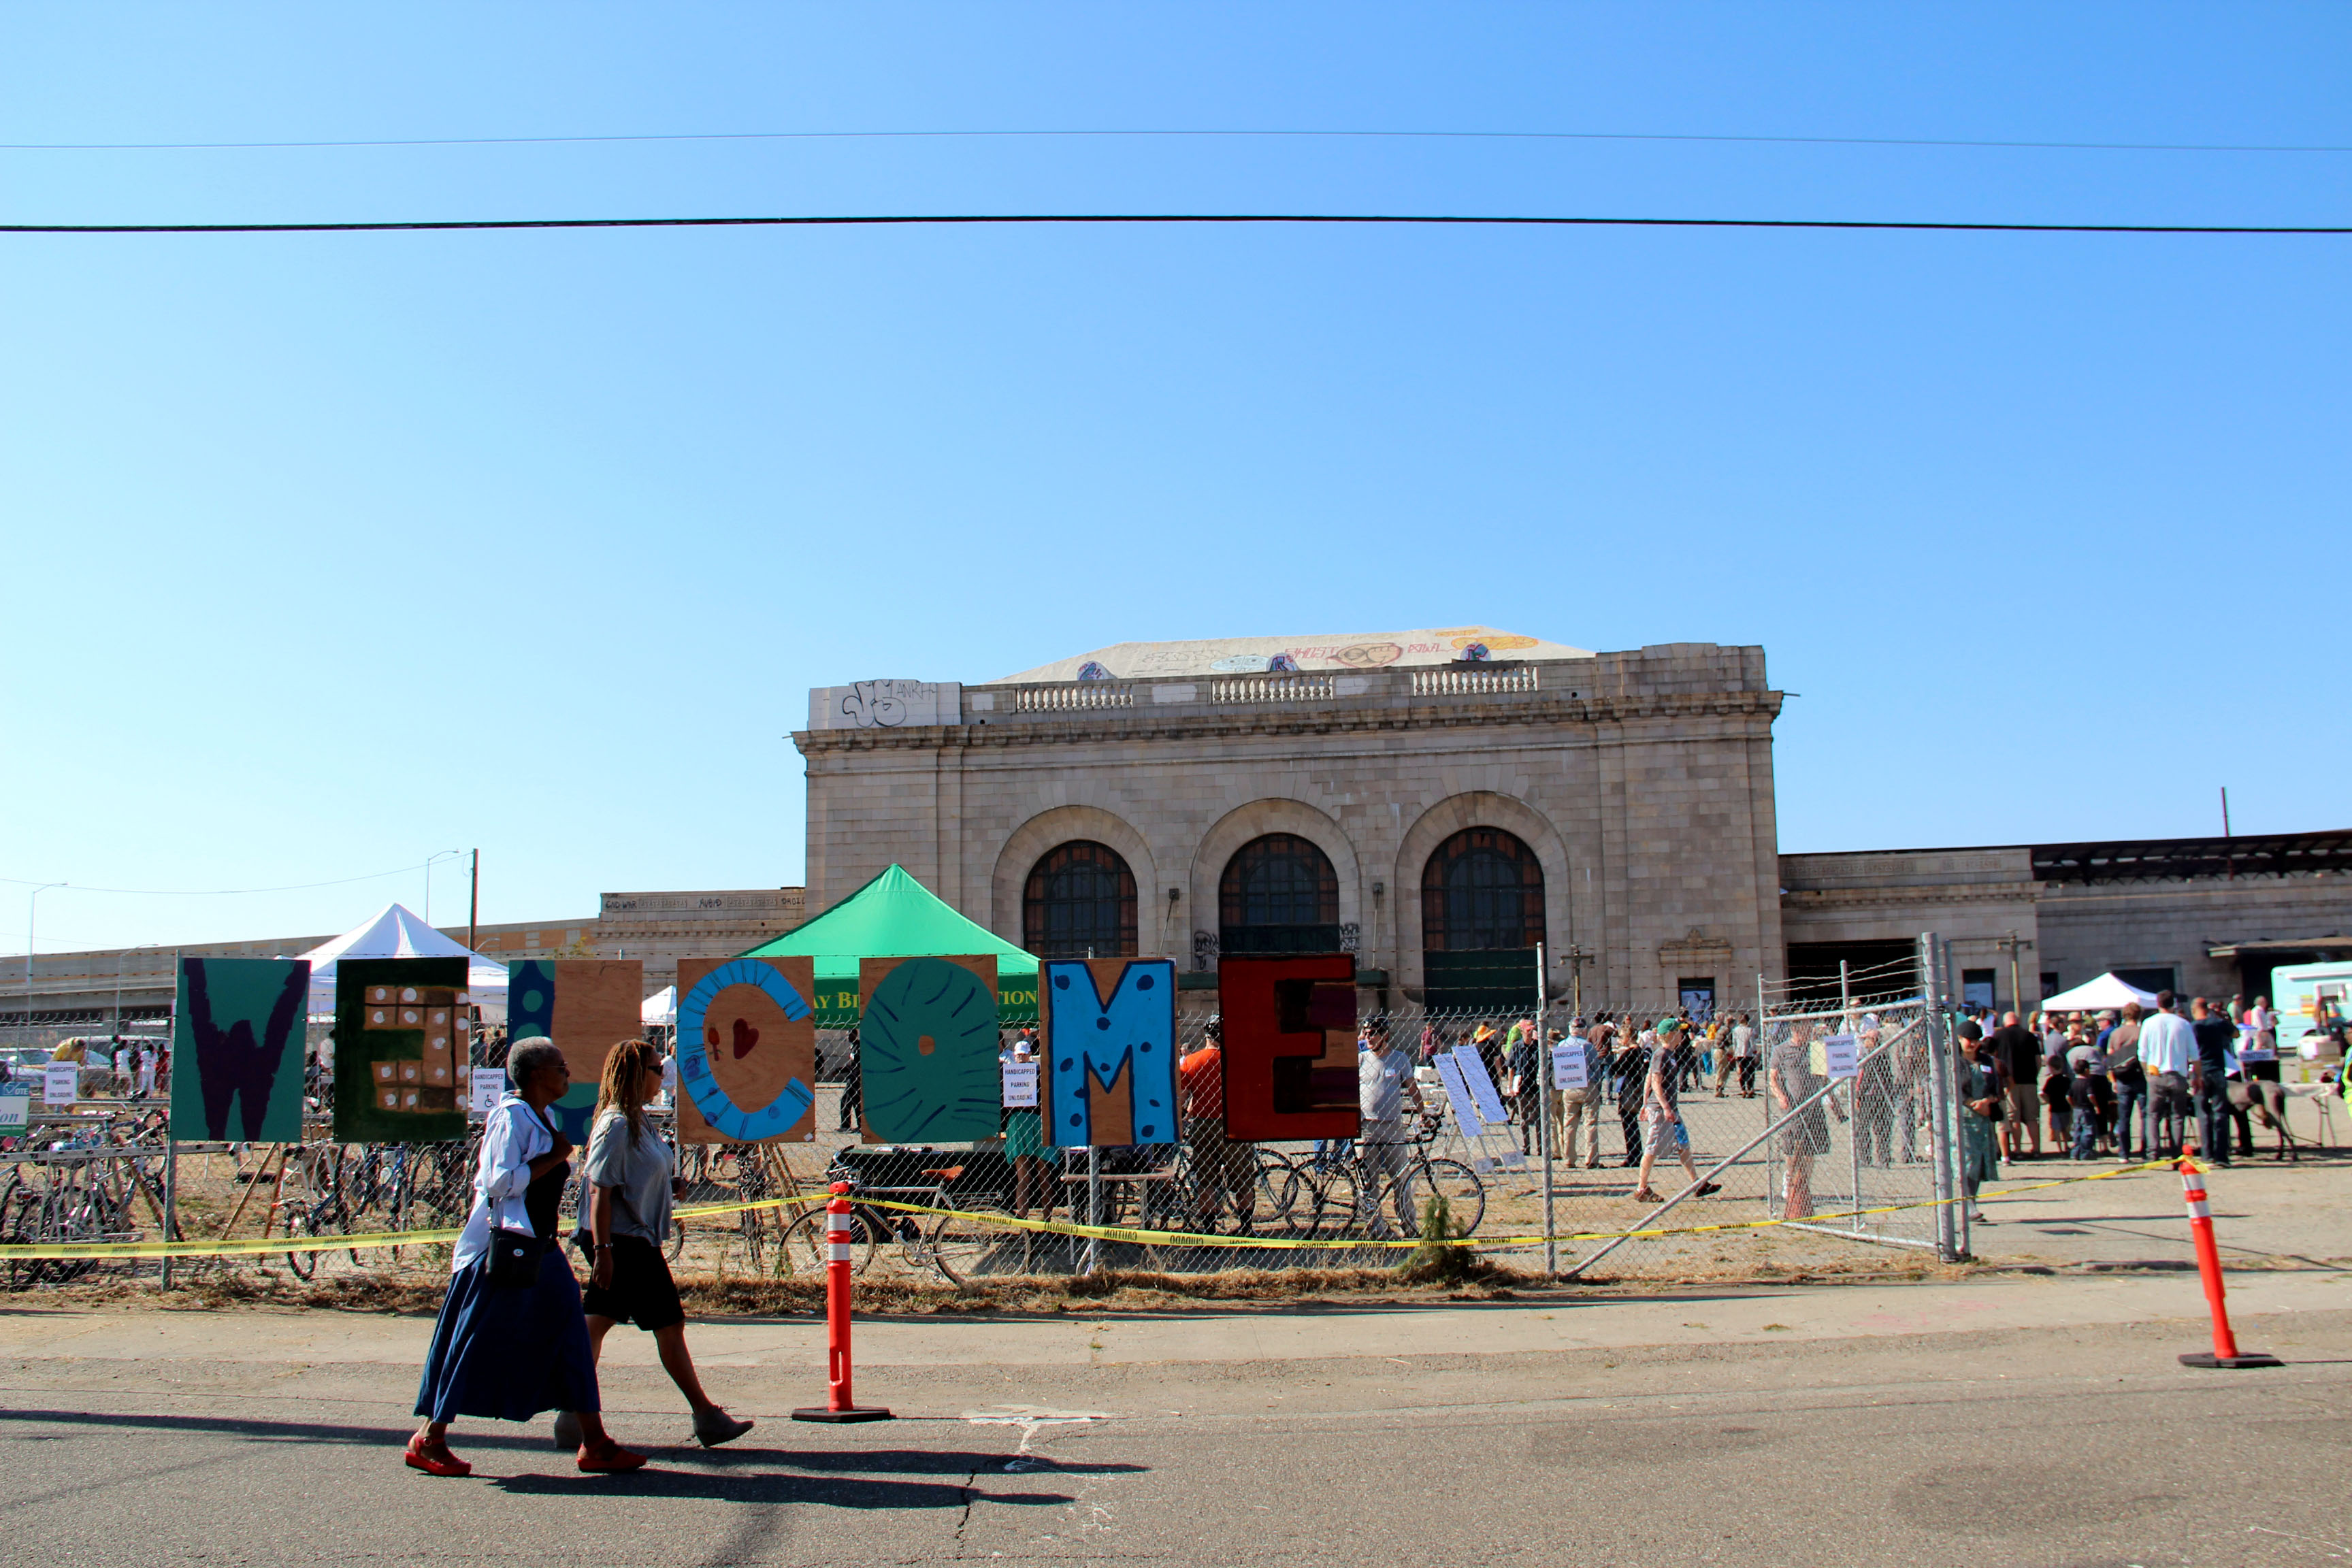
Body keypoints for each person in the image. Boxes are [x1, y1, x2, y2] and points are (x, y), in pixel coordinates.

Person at [408, 1039, 644, 1477]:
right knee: (473, 1340)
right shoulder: (511, 1119)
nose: (567, 1074)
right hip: (504, 1251)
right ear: (537, 1074)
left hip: (540, 1246)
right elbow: (496, 1182)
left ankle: (596, 1443)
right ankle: (431, 1437)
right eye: (561, 1067)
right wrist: (553, 1158)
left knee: (571, 1333)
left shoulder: (543, 1117)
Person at [558, 1038, 753, 1451]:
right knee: (668, 1325)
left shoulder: (639, 1120)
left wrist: (668, 1184)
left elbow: (636, 1173)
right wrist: (604, 1252)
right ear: (633, 1074)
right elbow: (599, 1191)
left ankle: (571, 1417)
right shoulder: (615, 1124)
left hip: (635, 1238)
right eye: (654, 1068)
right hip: (625, 1244)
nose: (662, 1075)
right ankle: (706, 1416)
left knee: (596, 1326)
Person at [1632, 1019, 1719, 1204]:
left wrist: (1646, 1104)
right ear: (1671, 1035)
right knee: (1652, 1148)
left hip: (1671, 1109)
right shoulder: (1661, 1054)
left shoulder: (1670, 1054)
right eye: (1679, 1032)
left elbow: (1650, 1077)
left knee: (1683, 1145)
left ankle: (1698, 1184)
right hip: (1662, 1110)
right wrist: (1659, 1107)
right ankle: (1641, 1188)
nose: (1682, 1035)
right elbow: (1654, 1080)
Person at [1355, 1019, 1423, 1236]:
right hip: (1366, 1129)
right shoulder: (1360, 1060)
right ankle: (1376, 1227)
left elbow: (1412, 1088)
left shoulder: (1400, 1059)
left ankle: (1408, 1224)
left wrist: (1423, 1112)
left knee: (1401, 1179)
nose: (1369, 1037)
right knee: (1369, 1183)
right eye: (1366, 1033)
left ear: (1385, 1035)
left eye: (1373, 1033)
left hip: (1393, 1128)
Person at [1180, 1020, 1248, 1228]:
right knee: (1243, 1179)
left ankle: (1209, 1230)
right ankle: (1247, 1227)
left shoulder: (1191, 1061)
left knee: (1206, 1179)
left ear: (1207, 1036)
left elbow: (1182, 1097)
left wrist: (1182, 1121)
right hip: (1233, 1122)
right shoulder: (1238, 1059)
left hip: (1203, 1123)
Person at [1769, 1020, 1832, 1220]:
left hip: (1813, 1106)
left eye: (1809, 1029)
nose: (1808, 1033)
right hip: (1793, 1107)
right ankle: (1790, 1177)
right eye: (1804, 1030)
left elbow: (1824, 1077)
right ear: (1795, 1031)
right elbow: (1773, 1077)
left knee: (1810, 1149)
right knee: (1792, 1148)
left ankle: (1804, 1183)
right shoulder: (1781, 1050)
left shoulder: (1816, 1048)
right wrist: (1780, 1095)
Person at [1002, 1034, 1056, 1223]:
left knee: (1043, 1175)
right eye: (1019, 1055)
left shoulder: (1038, 1072)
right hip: (1021, 1122)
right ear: (1014, 1056)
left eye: (1024, 1055)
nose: (1021, 1058)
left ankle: (1047, 1220)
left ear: (1030, 1055)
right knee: (1023, 1176)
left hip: (1037, 1120)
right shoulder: (1009, 1075)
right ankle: (1024, 1222)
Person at [2138, 992, 2197, 1160]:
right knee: (2177, 1116)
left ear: (2158, 1003)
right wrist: (2196, 1076)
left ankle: (2153, 1152)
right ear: (2174, 1004)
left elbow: (2142, 1053)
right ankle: (2176, 1153)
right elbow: (2194, 1053)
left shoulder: (2149, 1023)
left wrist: (2147, 1074)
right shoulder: (2183, 1024)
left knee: (2153, 1115)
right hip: (2178, 1074)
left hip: (2156, 1074)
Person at [1954, 1027, 2002, 1220]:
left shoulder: (1986, 1060)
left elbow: (1996, 1087)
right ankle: (1969, 1204)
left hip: (1983, 1117)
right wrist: (1973, 1104)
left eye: (1976, 1040)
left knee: (1980, 1161)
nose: (1973, 1044)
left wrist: (1987, 1101)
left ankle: (1973, 1199)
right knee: (1967, 1160)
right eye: (1968, 1039)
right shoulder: (1955, 1061)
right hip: (1962, 1116)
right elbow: (1954, 1088)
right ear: (1959, 1039)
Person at [2189, 997, 2236, 1167]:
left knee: (2203, 1113)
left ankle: (2207, 1155)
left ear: (2194, 1010)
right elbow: (2236, 1033)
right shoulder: (2217, 1023)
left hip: (2201, 1072)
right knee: (2221, 1112)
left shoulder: (2194, 1027)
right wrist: (2220, 1016)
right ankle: (2222, 1156)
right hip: (2218, 1070)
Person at [1551, 1026, 1605, 1170]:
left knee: (1569, 1124)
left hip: (1569, 1086)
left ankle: (1569, 1159)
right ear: (1583, 1031)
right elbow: (1595, 1066)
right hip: (1587, 1085)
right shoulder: (1587, 1046)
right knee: (1590, 1123)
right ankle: (1591, 1158)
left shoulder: (1562, 1045)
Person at [1991, 1012, 2042, 1159]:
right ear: (2018, 1021)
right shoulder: (2030, 1036)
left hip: (2009, 1083)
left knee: (2014, 1118)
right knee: (2032, 1118)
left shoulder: (1999, 1036)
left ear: (2005, 1022)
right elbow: (2038, 1060)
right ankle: (2036, 1148)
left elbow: (1994, 1057)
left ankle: (2018, 1150)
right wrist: (2035, 1075)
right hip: (2029, 1081)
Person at [2104, 1004, 2145, 1160]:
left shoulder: (2116, 1033)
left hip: (2122, 1078)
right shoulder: (2142, 1032)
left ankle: (2124, 1153)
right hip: (2140, 1076)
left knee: (2124, 1117)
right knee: (2146, 1116)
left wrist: (2113, 1079)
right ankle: (2145, 1150)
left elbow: (2111, 1058)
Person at [1610, 1017, 1650, 1168]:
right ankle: (1635, 1153)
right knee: (1632, 1123)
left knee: (1629, 1124)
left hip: (1629, 1090)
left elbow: (1616, 1069)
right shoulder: (1640, 1051)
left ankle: (1633, 1155)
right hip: (1637, 1088)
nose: (1620, 1039)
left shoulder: (1630, 1053)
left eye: (1621, 1036)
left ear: (1627, 1037)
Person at [2240, 995, 2280, 1083]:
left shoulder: (2262, 1010)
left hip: (2265, 1030)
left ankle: (2270, 1060)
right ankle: (2253, 1061)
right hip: (2260, 1031)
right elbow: (2258, 1022)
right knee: (2258, 1046)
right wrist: (2261, 1030)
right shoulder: (2257, 1010)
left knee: (2271, 1045)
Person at [836, 1026, 862, 1132]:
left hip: (856, 1078)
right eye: (847, 1035)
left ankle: (846, 1126)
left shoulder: (858, 1047)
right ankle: (860, 1125)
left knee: (846, 1100)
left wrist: (840, 1070)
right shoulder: (853, 1046)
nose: (847, 1037)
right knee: (856, 1101)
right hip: (853, 1076)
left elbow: (856, 1064)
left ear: (855, 1035)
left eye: (850, 1035)